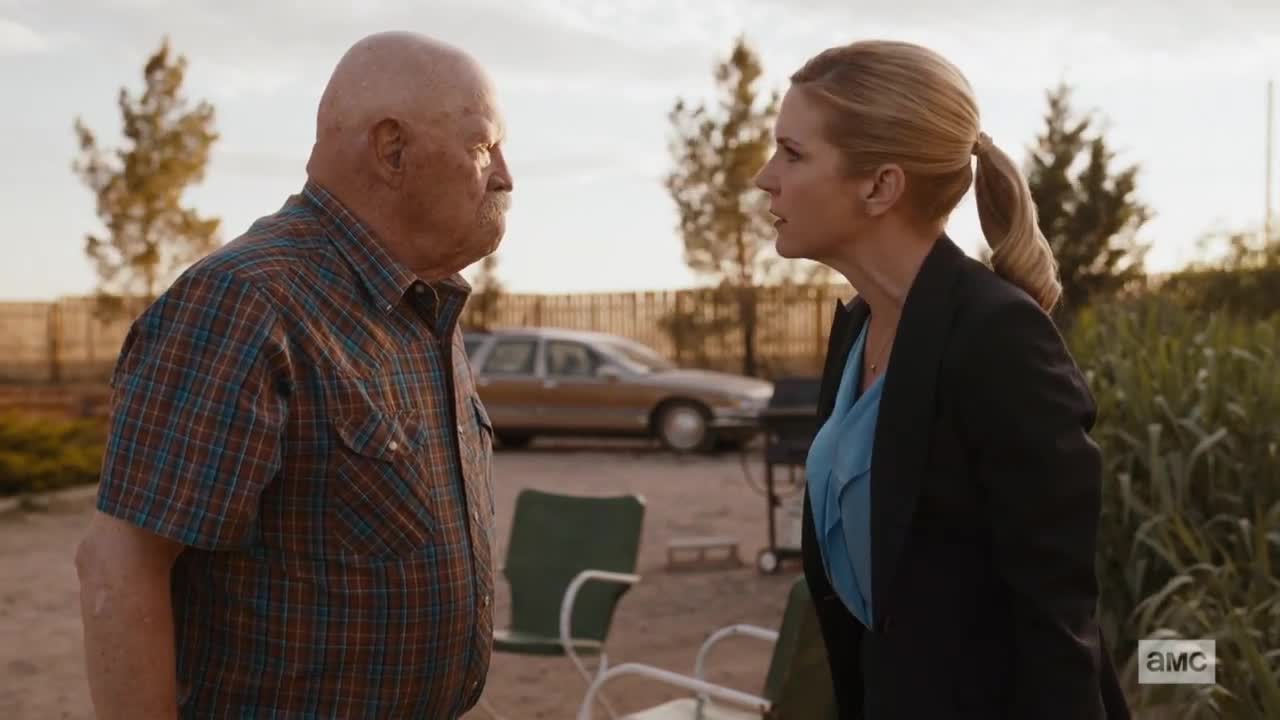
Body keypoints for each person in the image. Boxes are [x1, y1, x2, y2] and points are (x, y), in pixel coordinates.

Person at [73, 31, 512, 719]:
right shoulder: (246, 302)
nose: (505, 175)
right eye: (484, 146)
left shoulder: (423, 305)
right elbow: (120, 567)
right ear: (393, 150)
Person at [753, 40, 1130, 719]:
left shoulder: (998, 339)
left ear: (880, 185)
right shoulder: (858, 329)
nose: (765, 178)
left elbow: (1053, 618)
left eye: (792, 153)